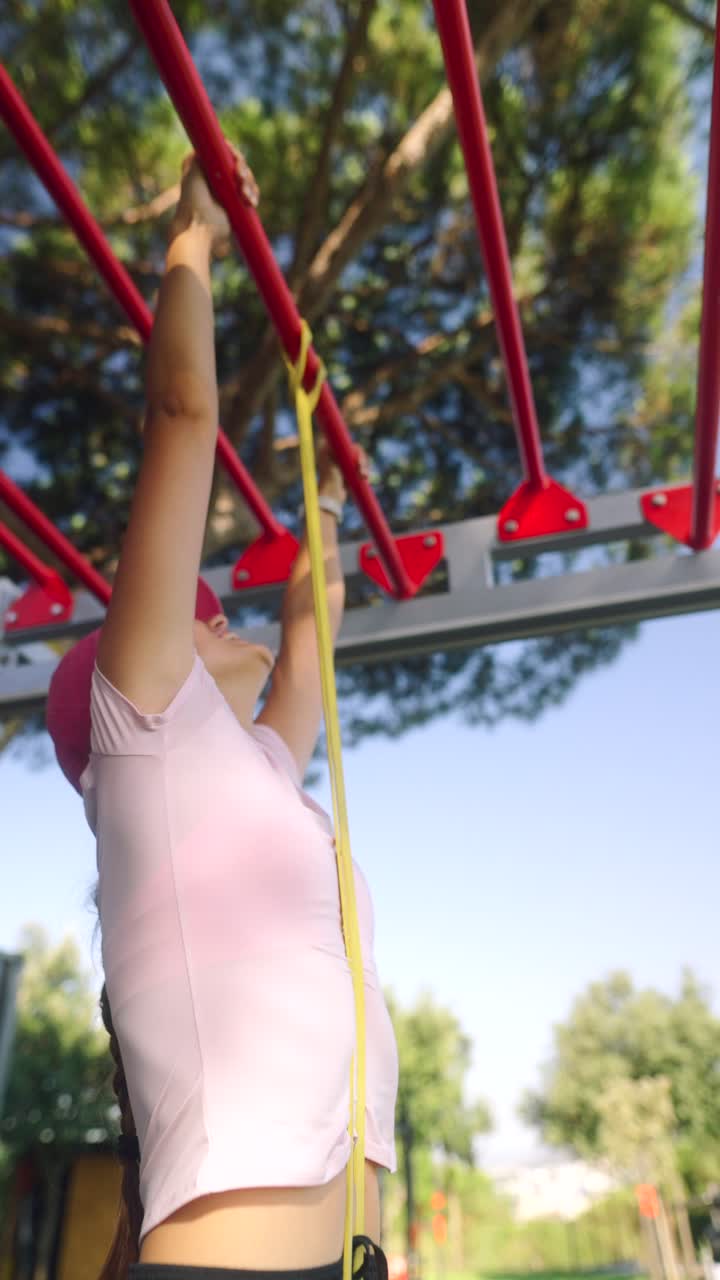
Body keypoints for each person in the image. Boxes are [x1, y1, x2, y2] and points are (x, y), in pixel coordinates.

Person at [45, 147, 398, 1280]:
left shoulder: (246, 774)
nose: (221, 614)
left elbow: (310, 638)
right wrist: (192, 238)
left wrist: (327, 491)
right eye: (199, 615)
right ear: (150, 661)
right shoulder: (146, 732)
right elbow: (184, 414)